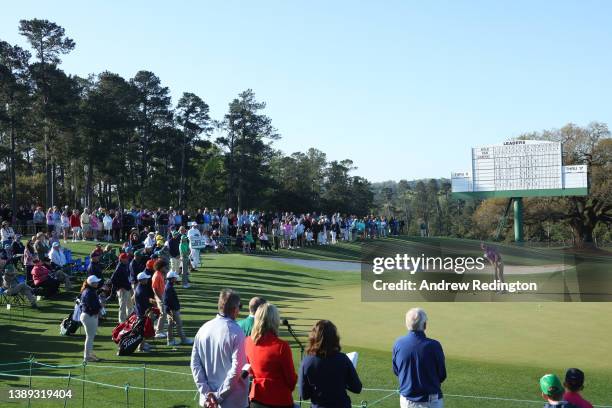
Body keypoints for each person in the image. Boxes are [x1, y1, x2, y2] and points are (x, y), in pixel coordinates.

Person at [190, 288, 248, 408]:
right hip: (232, 402)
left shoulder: (203, 329)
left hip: (208, 402)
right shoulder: (236, 332)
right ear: (234, 309)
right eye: (239, 307)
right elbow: (237, 369)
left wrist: (207, 393)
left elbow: (195, 365)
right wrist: (217, 396)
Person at [299, 320, 362, 408]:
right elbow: (357, 388)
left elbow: (304, 395)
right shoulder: (343, 359)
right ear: (334, 338)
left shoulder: (307, 362)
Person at [245, 303, 297, 408]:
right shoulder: (282, 346)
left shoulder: (248, 342)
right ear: (275, 321)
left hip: (256, 399)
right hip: (280, 401)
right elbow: (291, 380)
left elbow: (250, 370)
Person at [393, 308, 446, 408]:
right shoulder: (434, 346)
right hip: (431, 401)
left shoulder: (398, 344)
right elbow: (442, 375)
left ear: (406, 324)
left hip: (406, 402)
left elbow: (396, 371)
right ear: (425, 325)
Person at [163, 270, 193, 347]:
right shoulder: (169, 288)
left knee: (171, 324)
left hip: (171, 309)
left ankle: (170, 340)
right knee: (178, 324)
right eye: (175, 278)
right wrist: (171, 311)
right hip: (172, 310)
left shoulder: (169, 286)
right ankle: (183, 339)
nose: (176, 279)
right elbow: (167, 301)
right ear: (172, 278)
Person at [80, 275, 103, 362]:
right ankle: (87, 356)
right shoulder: (89, 292)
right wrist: (100, 306)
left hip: (88, 315)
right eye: (96, 282)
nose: (98, 283)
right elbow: (93, 306)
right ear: (92, 283)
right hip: (89, 316)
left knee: (90, 337)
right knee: (89, 337)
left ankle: (89, 354)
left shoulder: (89, 290)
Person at [134, 271, 154, 352]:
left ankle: (142, 345)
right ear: (141, 280)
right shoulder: (141, 290)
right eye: (145, 279)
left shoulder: (140, 287)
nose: (147, 280)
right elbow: (146, 303)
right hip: (143, 313)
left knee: (143, 331)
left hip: (141, 312)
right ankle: (141, 348)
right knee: (143, 332)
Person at [111, 252, 133, 323]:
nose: (127, 259)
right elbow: (113, 279)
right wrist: (120, 287)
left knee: (130, 306)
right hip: (122, 290)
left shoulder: (125, 265)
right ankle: (122, 322)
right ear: (122, 259)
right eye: (126, 258)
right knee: (122, 307)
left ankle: (129, 319)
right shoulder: (119, 267)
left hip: (127, 288)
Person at [151, 259, 169, 339]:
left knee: (163, 313)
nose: (166, 268)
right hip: (159, 297)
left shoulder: (160, 274)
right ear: (161, 267)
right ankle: (158, 331)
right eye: (164, 267)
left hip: (162, 295)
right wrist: (160, 298)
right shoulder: (157, 275)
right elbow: (154, 288)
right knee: (163, 313)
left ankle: (160, 329)